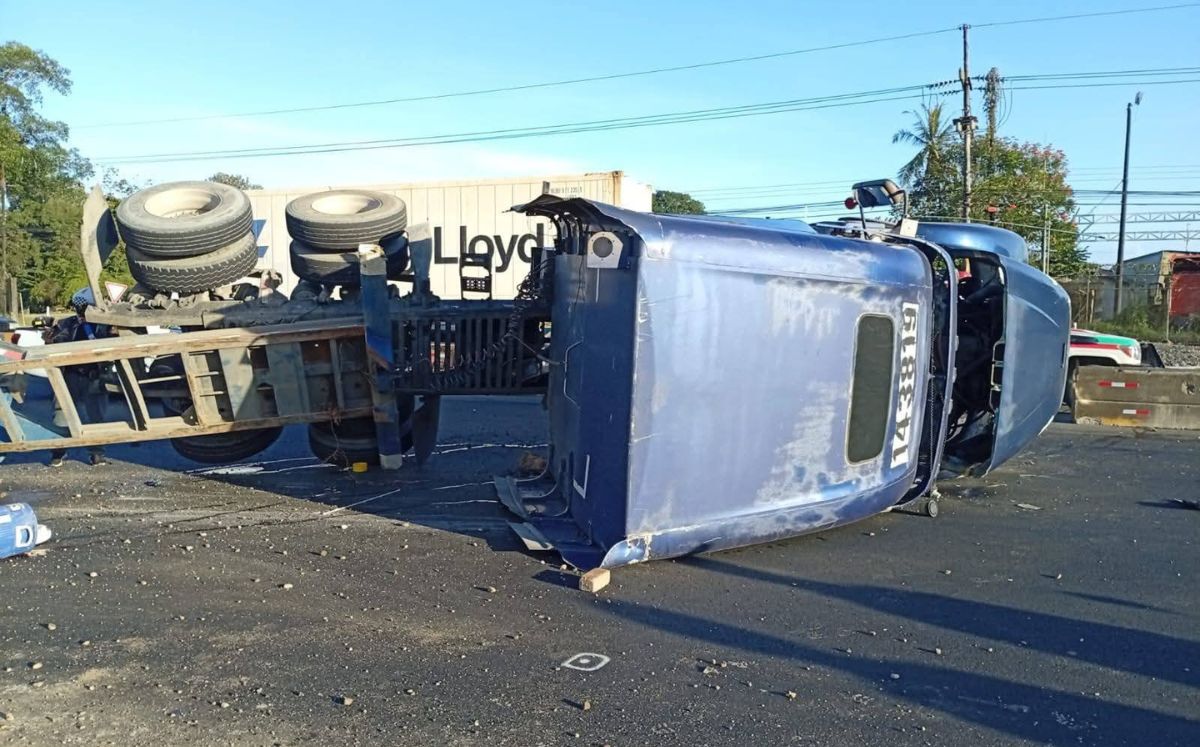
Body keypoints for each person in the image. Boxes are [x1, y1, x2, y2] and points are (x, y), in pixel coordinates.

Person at [45, 288, 109, 467]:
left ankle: (96, 453)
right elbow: (55, 341)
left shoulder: (103, 324)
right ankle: (58, 452)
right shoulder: (67, 323)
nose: (80, 310)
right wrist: (49, 339)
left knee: (96, 415)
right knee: (62, 414)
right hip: (70, 374)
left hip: (94, 375)